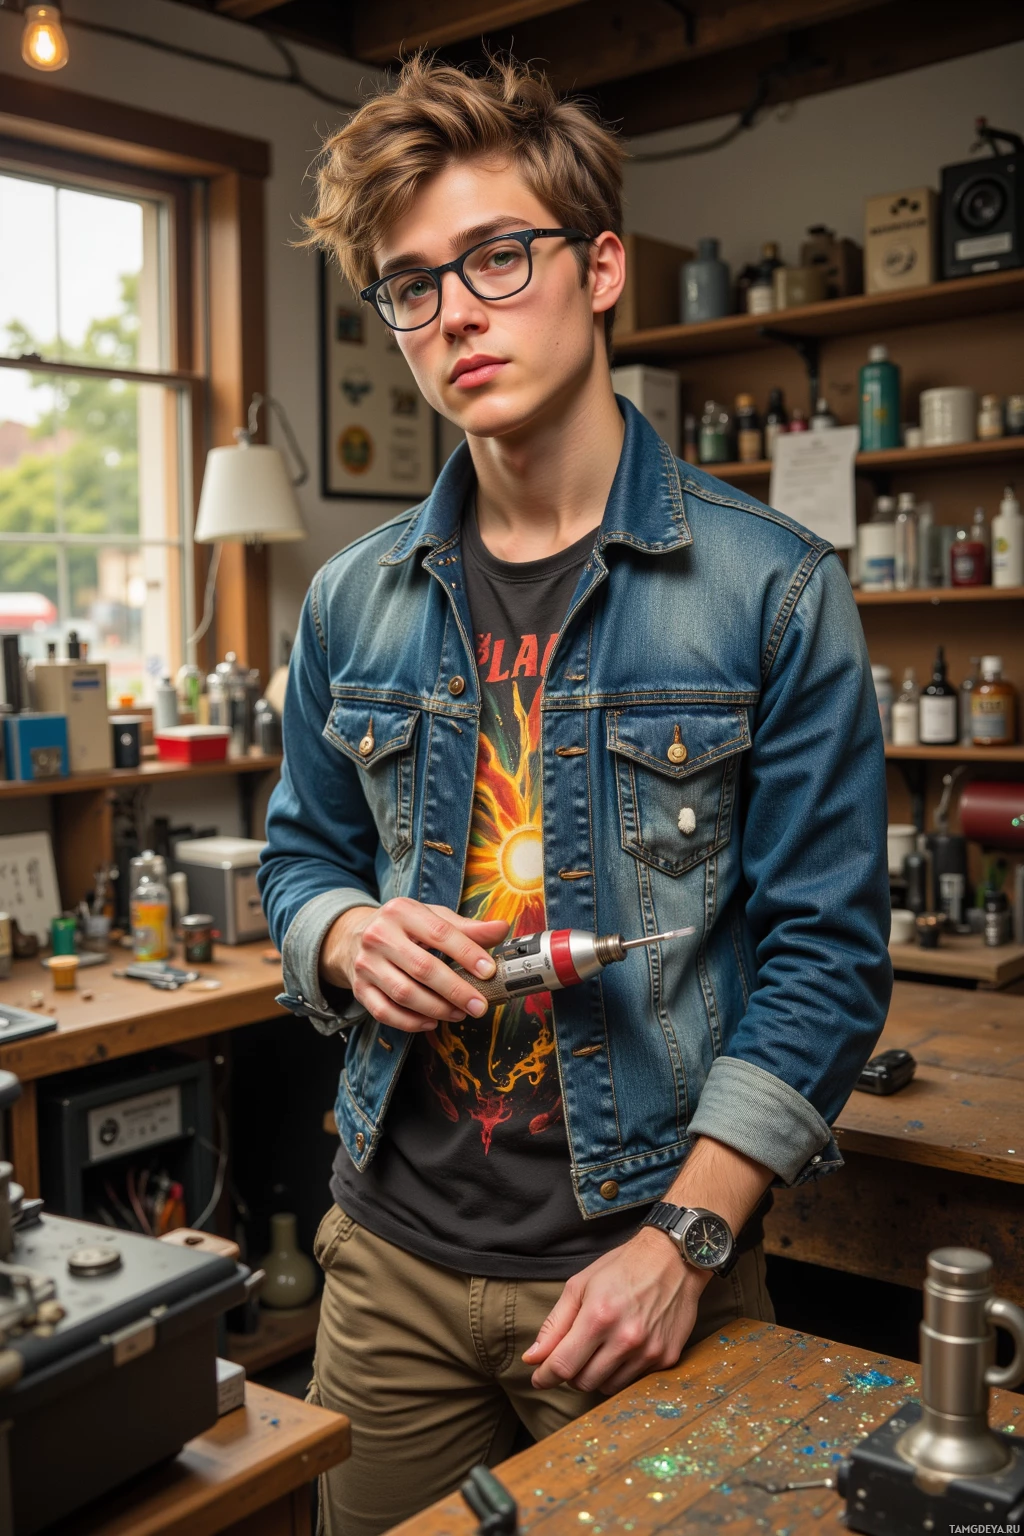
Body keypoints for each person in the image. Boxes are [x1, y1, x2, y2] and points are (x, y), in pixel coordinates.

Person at [257, 52, 891, 1536]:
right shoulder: (351, 604)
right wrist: (347, 937)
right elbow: (299, 861)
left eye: (497, 255)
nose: (455, 311)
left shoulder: (773, 592)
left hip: (642, 1266)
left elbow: (827, 962)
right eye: (412, 284)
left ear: (600, 268)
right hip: (390, 1271)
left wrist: (684, 1239)